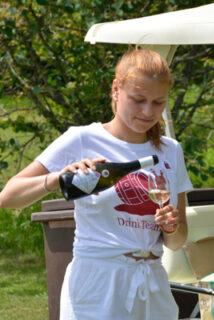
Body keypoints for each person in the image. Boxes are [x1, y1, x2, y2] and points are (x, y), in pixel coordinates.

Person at [0, 49, 193, 319]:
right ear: (116, 89)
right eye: (138, 100)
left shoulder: (170, 150)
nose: (148, 111)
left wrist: (172, 226)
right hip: (97, 286)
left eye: (158, 102)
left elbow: (177, 241)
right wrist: (58, 178)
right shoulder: (82, 139)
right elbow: (8, 197)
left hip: (151, 286)